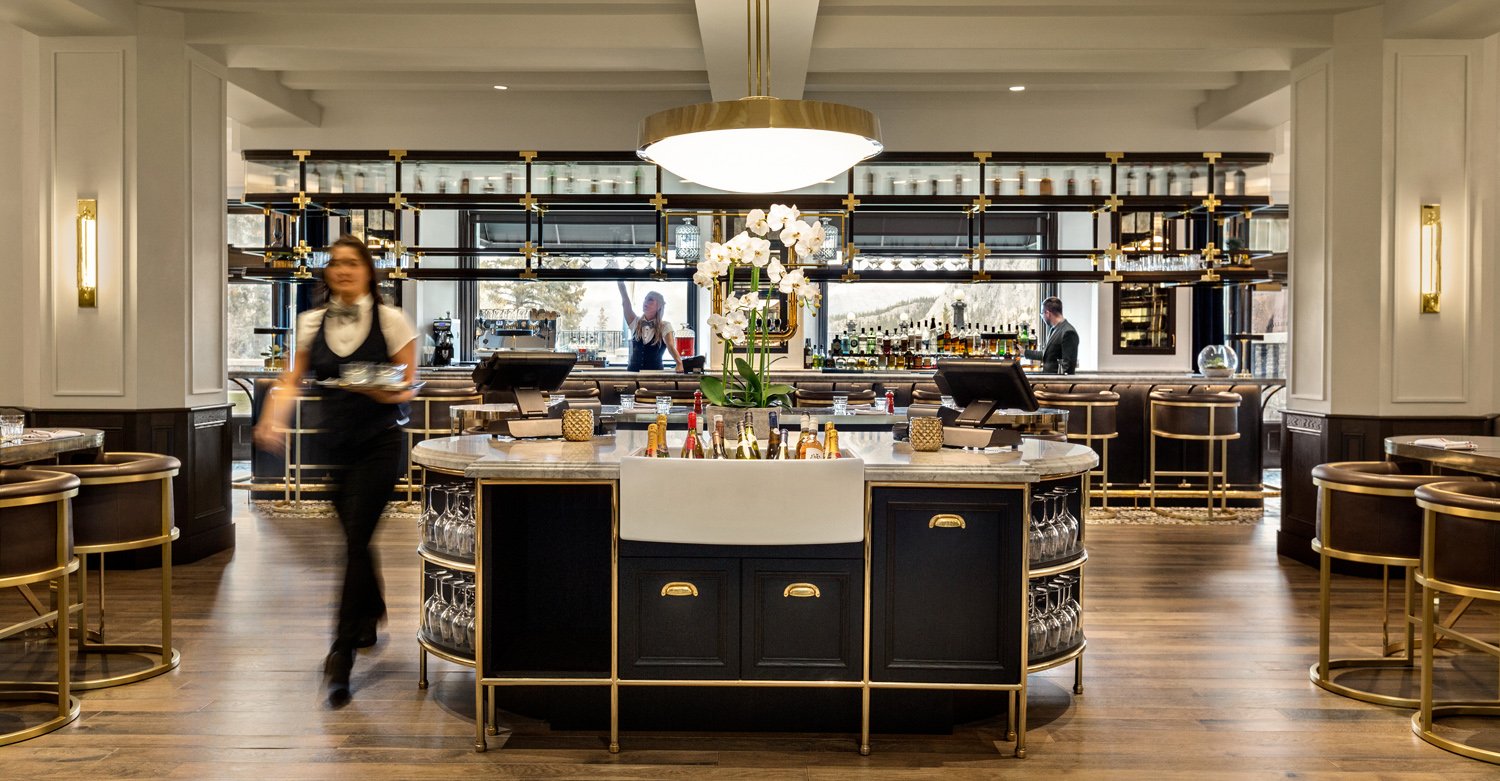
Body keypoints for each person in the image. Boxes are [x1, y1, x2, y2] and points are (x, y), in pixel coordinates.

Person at [253, 235, 417, 708]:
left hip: (380, 444)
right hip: (335, 447)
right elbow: (291, 380)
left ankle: (340, 651)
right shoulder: (309, 323)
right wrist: (270, 417)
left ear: (368, 271)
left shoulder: (391, 319)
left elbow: (405, 385)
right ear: (327, 274)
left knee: (354, 542)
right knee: (356, 540)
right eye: (336, 264)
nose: (344, 270)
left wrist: (378, 389)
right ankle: (372, 610)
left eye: (353, 263)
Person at [617, 280, 683, 372]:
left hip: (655, 375)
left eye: (650, 299)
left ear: (659, 306)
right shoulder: (635, 322)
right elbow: (625, 302)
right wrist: (619, 280)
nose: (645, 302)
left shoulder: (665, 326)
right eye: (645, 299)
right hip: (633, 373)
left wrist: (679, 363)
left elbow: (671, 346)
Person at [1024, 296, 1080, 374]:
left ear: (1047, 313)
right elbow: (1047, 354)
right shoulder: (1053, 330)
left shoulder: (1068, 332)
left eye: (1041, 314)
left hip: (1057, 384)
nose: (1042, 317)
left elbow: (1067, 367)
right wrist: (1024, 352)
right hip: (1049, 382)